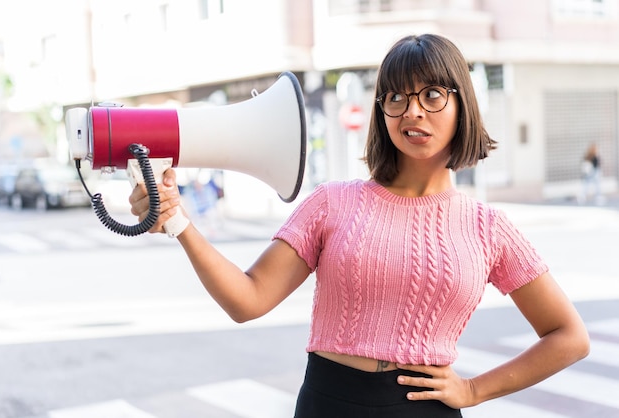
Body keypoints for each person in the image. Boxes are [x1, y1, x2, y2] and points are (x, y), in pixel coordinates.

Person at [129, 34, 589, 417]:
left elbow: (569, 336)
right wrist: (177, 222)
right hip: (331, 402)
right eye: (396, 97)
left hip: (423, 409)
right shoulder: (333, 203)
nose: (412, 112)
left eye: (431, 95)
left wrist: (473, 391)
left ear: (461, 104)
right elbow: (247, 300)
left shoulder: (489, 227)